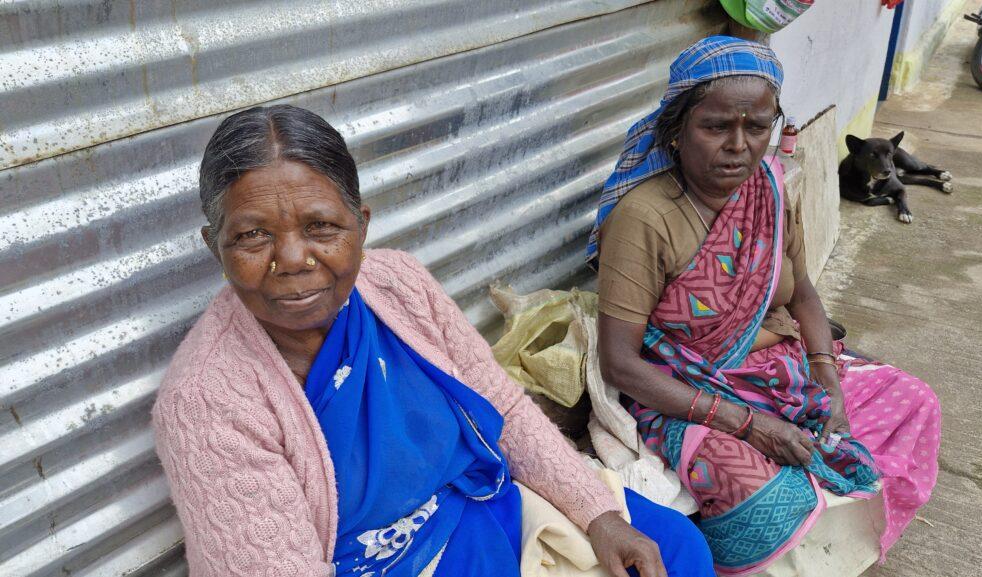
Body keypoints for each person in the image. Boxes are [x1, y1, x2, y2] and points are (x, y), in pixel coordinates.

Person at [152, 104, 716, 577]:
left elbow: (505, 408)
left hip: (482, 501)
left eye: (321, 226)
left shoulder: (397, 283)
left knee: (675, 552)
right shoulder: (204, 402)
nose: (294, 260)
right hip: (381, 565)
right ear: (214, 246)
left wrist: (599, 515)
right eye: (253, 236)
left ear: (361, 225)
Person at [589, 36, 940, 575]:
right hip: (692, 390)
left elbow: (802, 292)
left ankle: (837, 545)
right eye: (715, 127)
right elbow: (620, 363)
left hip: (787, 373)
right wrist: (747, 424)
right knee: (763, 499)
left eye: (757, 127)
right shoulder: (646, 217)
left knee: (914, 402)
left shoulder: (769, 189)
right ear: (676, 131)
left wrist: (828, 380)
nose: (739, 145)